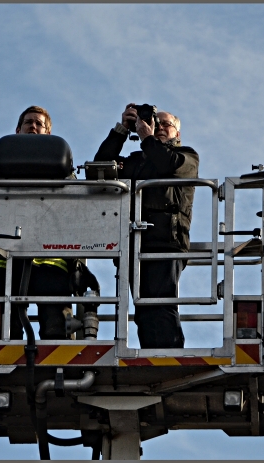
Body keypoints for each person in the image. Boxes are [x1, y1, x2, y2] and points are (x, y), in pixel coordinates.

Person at [0, 105, 98, 340]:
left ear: (48, 134)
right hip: (3, 256)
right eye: (28, 122)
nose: (33, 126)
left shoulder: (61, 164)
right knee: (4, 329)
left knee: (56, 328)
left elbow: (75, 201)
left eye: (39, 124)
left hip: (51, 258)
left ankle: (58, 370)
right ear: (18, 129)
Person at [94, 103, 199, 348]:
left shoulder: (187, 157)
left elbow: (167, 164)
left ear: (178, 134)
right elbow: (100, 167)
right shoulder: (136, 160)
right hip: (134, 243)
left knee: (161, 305)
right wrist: (122, 130)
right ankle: (151, 356)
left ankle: (170, 357)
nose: (159, 126)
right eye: (155, 121)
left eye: (166, 124)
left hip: (166, 243)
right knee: (143, 310)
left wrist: (147, 137)